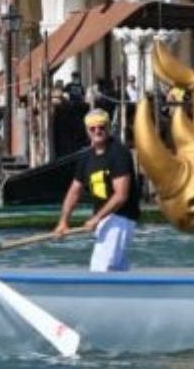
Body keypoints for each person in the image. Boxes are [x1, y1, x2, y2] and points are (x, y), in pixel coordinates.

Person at [54, 108, 139, 272]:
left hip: (121, 218)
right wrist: (63, 222)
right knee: (115, 269)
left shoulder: (118, 153)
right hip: (103, 220)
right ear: (87, 131)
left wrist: (96, 218)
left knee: (101, 268)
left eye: (101, 127)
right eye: (93, 128)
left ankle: (101, 293)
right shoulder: (86, 158)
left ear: (108, 128)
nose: (97, 131)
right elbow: (74, 192)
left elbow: (121, 195)